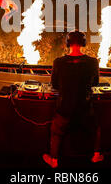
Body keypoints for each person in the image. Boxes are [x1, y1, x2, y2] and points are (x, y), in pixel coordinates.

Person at [43, 30, 103, 168]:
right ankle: (96, 155)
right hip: (85, 108)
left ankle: (53, 160)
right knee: (95, 129)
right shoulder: (93, 62)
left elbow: (55, 85)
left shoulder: (58, 62)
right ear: (84, 43)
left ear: (67, 43)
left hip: (65, 108)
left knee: (56, 132)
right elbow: (95, 83)